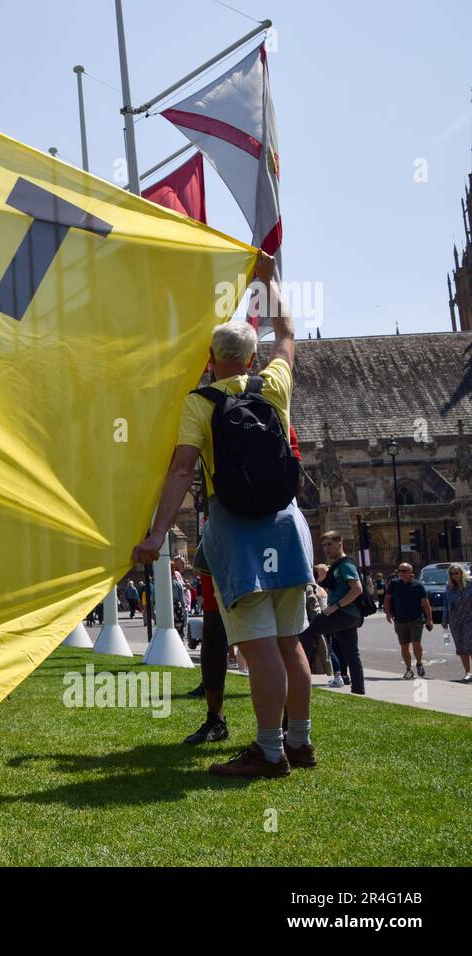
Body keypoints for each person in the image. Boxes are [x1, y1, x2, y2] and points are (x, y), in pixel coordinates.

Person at [133, 251, 316, 778]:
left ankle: (268, 750)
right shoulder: (275, 386)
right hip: (288, 523)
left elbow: (181, 471)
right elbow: (287, 333)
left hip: (236, 529)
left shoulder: (201, 402)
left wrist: (157, 533)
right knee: (289, 644)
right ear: (252, 359)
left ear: (211, 359)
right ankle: (300, 743)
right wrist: (268, 279)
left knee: (258, 649)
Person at [299, 532, 366, 695]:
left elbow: (357, 589)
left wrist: (335, 606)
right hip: (349, 616)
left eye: (329, 544)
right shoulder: (338, 565)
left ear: (340, 543)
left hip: (343, 613)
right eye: (323, 545)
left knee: (307, 635)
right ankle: (358, 690)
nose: (326, 549)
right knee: (351, 653)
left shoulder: (345, 565)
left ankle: (299, 678)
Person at [184, 570, 232, 744]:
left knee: (274, 639)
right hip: (215, 561)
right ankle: (215, 720)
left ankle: (285, 731)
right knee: (213, 634)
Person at [384, 563, 432, 679]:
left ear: (411, 572)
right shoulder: (394, 584)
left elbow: (425, 604)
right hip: (400, 620)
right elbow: (387, 599)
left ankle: (419, 663)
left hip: (416, 619)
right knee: (404, 646)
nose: (401, 573)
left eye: (404, 571)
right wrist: (388, 613)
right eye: (399, 571)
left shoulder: (418, 586)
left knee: (416, 643)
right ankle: (408, 669)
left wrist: (429, 619)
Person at [441, 563, 472, 682]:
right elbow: (445, 604)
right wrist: (444, 620)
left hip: (470, 618)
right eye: (452, 574)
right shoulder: (449, 587)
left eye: (456, 573)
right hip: (455, 620)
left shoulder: (470, 584)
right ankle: (467, 672)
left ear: (461, 573)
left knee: (470, 645)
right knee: (461, 647)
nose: (454, 576)